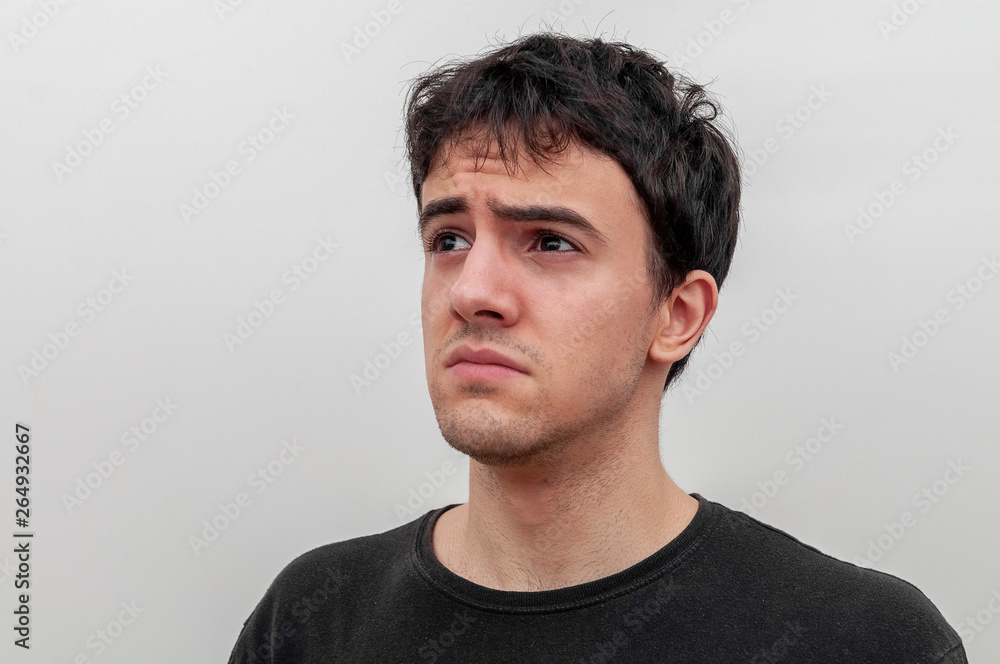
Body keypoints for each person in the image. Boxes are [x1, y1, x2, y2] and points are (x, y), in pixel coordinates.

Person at [227, 33, 967, 663]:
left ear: (677, 315)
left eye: (550, 242)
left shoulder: (861, 641)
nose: (472, 290)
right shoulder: (312, 622)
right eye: (448, 239)